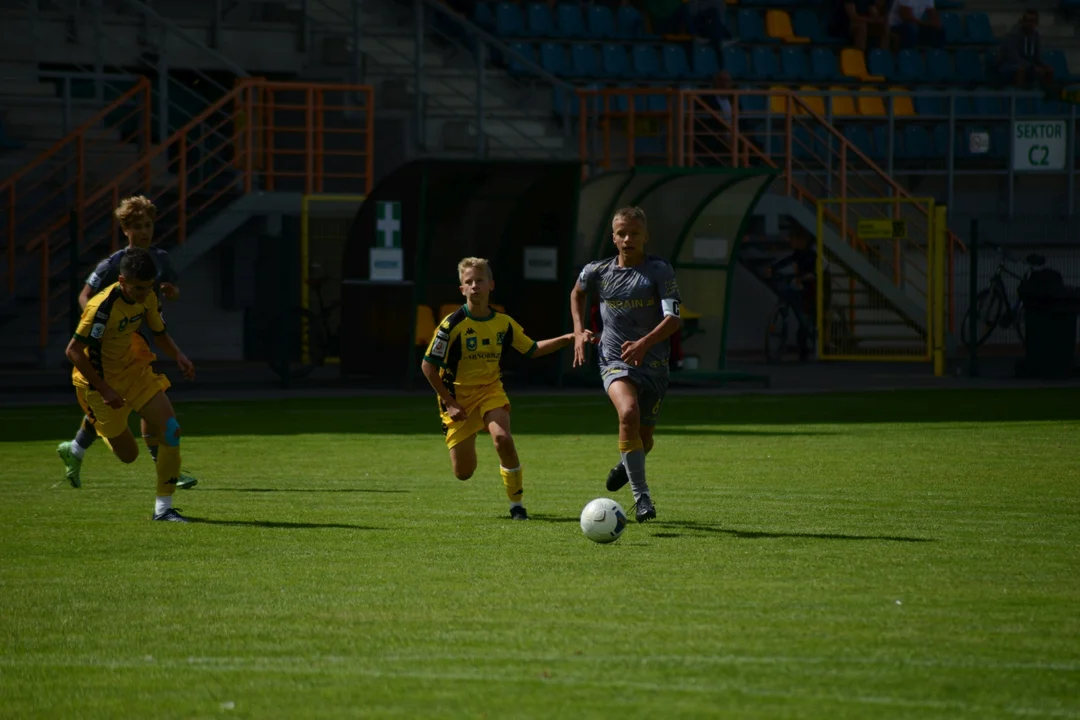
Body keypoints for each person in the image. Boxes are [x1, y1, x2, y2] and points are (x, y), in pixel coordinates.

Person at [421, 257, 591, 520]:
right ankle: (471, 434)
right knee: (463, 473)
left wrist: (569, 338)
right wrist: (450, 402)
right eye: (469, 282)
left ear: (491, 285)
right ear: (462, 289)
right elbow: (428, 367)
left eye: (480, 280)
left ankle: (517, 505)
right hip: (458, 400)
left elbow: (532, 349)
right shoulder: (451, 325)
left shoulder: (503, 322)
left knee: (502, 439)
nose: (475, 286)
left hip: (491, 391)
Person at [56, 196, 198, 490]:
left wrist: (173, 294)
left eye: (148, 225)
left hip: (143, 332)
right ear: (125, 230)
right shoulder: (113, 264)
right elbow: (85, 296)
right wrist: (102, 324)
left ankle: (161, 464)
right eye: (137, 227)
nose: (144, 232)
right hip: (117, 340)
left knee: (149, 394)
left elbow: (170, 294)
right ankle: (81, 448)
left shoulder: (160, 258)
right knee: (121, 398)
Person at [65, 247, 196, 522]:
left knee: (171, 429)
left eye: (147, 287)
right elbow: (74, 351)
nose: (143, 293)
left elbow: (159, 333)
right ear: (122, 281)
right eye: (137, 288)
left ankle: (164, 509)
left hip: (132, 372)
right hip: (97, 384)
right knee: (129, 455)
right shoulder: (100, 308)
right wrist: (105, 389)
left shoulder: (148, 295)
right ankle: (94, 427)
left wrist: (179, 355)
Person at [570, 206, 682, 523]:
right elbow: (576, 293)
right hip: (614, 359)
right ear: (613, 237)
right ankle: (642, 498)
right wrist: (579, 332)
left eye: (634, 232)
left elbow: (673, 319)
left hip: (655, 363)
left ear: (646, 236)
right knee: (628, 412)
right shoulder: (597, 271)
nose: (628, 238)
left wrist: (644, 344)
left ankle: (626, 462)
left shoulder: (659, 271)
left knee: (644, 440)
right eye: (622, 232)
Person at [996, 11, 1054, 90]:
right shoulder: (1013, 35)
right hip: (1009, 65)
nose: (1031, 24)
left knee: (1049, 70)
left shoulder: (1036, 36)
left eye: (1033, 21)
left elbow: (1037, 57)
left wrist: (1043, 66)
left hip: (1028, 66)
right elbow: (1013, 58)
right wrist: (1032, 67)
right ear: (1023, 22)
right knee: (1021, 69)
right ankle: (1020, 97)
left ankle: (1046, 97)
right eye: (1028, 21)